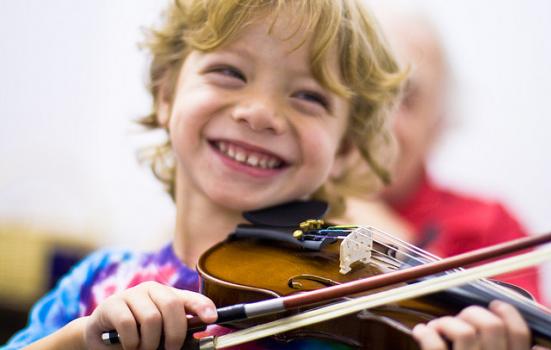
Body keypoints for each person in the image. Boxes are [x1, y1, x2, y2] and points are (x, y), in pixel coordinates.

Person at [2, 1, 538, 349]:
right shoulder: (99, 284)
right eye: (229, 72)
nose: (259, 112)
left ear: (346, 148)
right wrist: (86, 340)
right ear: (166, 95)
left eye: (308, 97)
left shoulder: (347, 320)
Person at [344, 5, 542, 301]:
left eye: (406, 99)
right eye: (360, 90)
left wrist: (399, 245)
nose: (378, 121)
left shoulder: (491, 226)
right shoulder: (273, 195)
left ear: (437, 125)